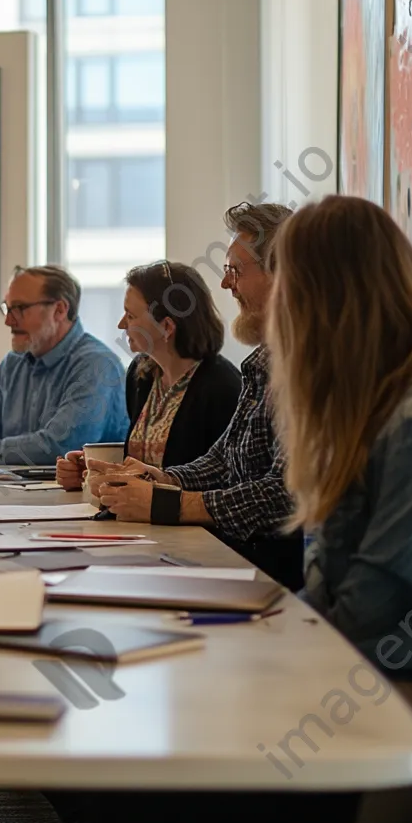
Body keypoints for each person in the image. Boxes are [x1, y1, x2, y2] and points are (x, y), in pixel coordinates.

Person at [86, 203, 303, 590]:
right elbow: (223, 460)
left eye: (235, 270)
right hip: (230, 564)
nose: (225, 284)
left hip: (265, 578)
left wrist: (171, 502)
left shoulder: (304, 366)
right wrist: (161, 479)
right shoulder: (263, 362)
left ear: (282, 274)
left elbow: (285, 493)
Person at [268, 197, 412, 689]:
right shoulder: (363, 406)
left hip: (391, 691)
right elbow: (329, 582)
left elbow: (371, 605)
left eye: (284, 284)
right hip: (361, 675)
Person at [56, 260, 242, 489]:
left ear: (167, 327)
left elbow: (224, 478)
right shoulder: (140, 374)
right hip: (143, 519)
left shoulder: (222, 387)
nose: (121, 324)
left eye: (131, 316)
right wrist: (92, 470)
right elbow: (141, 465)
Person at [0, 265, 128, 466]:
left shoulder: (97, 366)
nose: (8, 321)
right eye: (7, 308)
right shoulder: (13, 363)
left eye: (20, 309)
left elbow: (59, 448)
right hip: (15, 492)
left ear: (59, 310)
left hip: (78, 496)